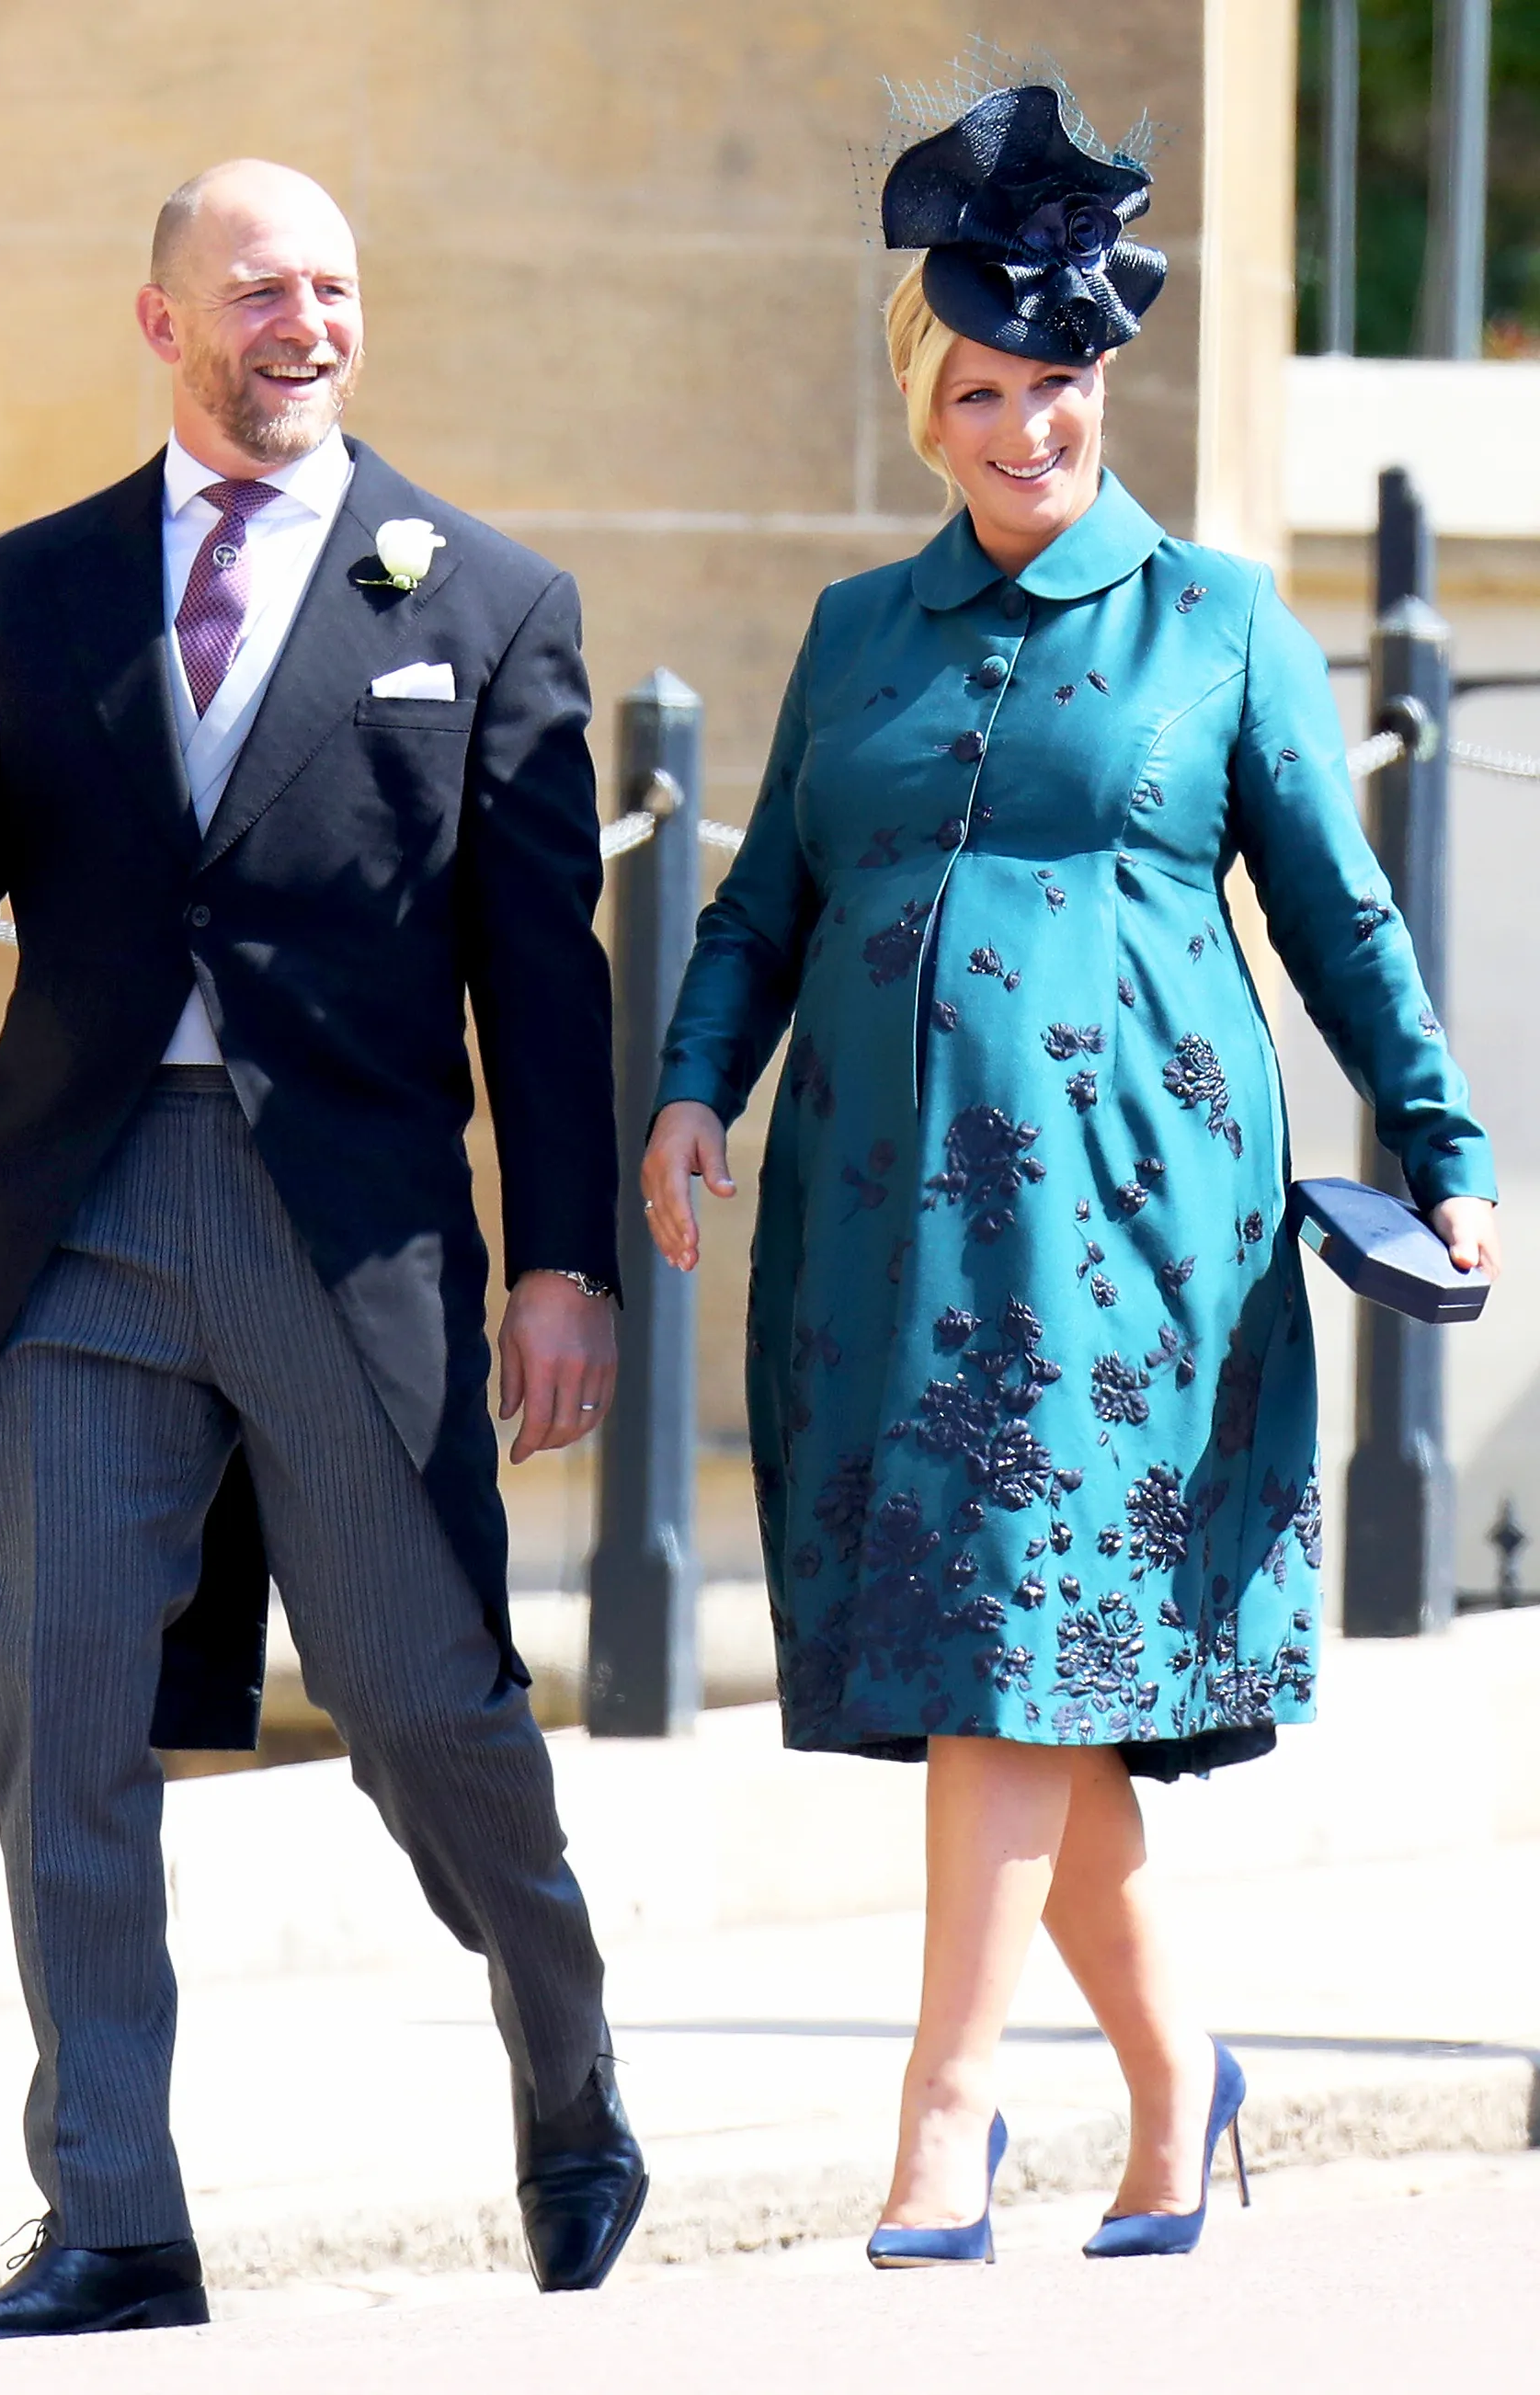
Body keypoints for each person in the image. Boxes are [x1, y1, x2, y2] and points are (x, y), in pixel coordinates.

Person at [642, 73, 1500, 2265]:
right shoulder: (856, 637)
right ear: (928, 410)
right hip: (871, 1220)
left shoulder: (1214, 622)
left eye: (1066, 386)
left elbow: (1335, 910)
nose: (1035, 429)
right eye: (992, 394)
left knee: (1011, 1630)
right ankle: (1174, 2080)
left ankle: (945, 2116)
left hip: (1121, 1220)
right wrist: (689, 1088)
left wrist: (1443, 1142)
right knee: (1013, 1658)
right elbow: (761, 911)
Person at [0, 158, 646, 2340]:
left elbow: (542, 986)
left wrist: (566, 1268)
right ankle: (115, 2218)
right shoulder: (34, 586)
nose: (308, 320)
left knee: (419, 1708)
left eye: (337, 287)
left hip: (341, 1234)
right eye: (261, 287)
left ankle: (564, 2058)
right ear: (161, 321)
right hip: (87, 1229)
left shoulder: (486, 603)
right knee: (61, 1707)